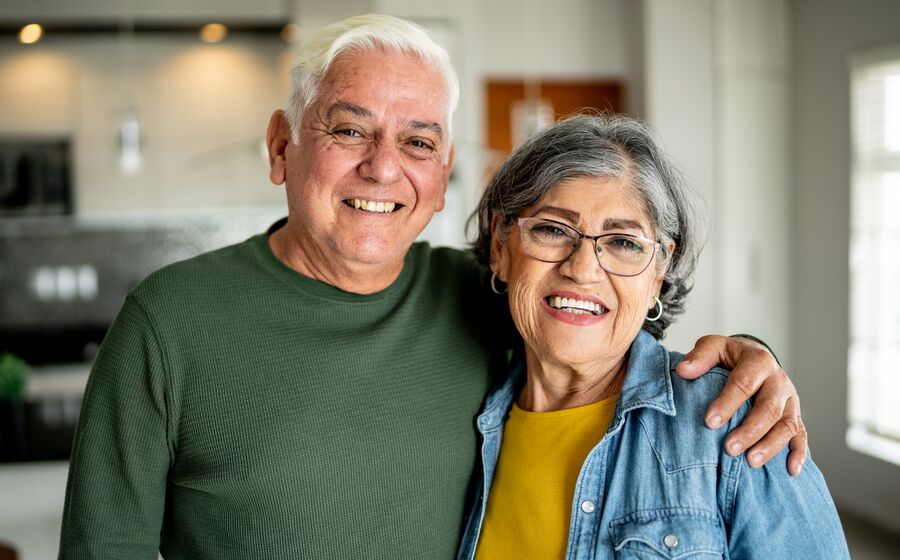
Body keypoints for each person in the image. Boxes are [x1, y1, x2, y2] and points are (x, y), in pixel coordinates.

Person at [58, 15, 807, 559]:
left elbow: (599, 320)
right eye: (349, 130)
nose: (383, 167)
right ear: (282, 146)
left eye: (417, 141)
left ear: (442, 176)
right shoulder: (167, 322)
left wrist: (753, 357)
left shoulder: (479, 297)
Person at [458, 114, 847, 559]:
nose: (582, 269)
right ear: (500, 249)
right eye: (552, 230)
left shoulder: (734, 421)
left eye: (623, 242)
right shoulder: (468, 417)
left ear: (658, 275)